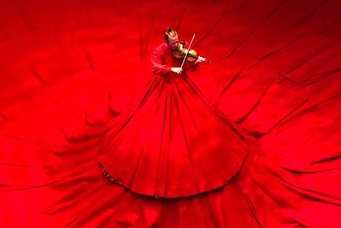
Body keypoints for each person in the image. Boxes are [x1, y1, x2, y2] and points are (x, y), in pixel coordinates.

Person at [99, 27, 246, 199]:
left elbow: (188, 65)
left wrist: (195, 60)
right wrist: (170, 70)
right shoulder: (158, 51)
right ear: (166, 42)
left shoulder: (182, 48)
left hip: (181, 84)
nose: (177, 45)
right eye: (173, 43)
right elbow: (155, 69)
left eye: (177, 41)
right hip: (164, 85)